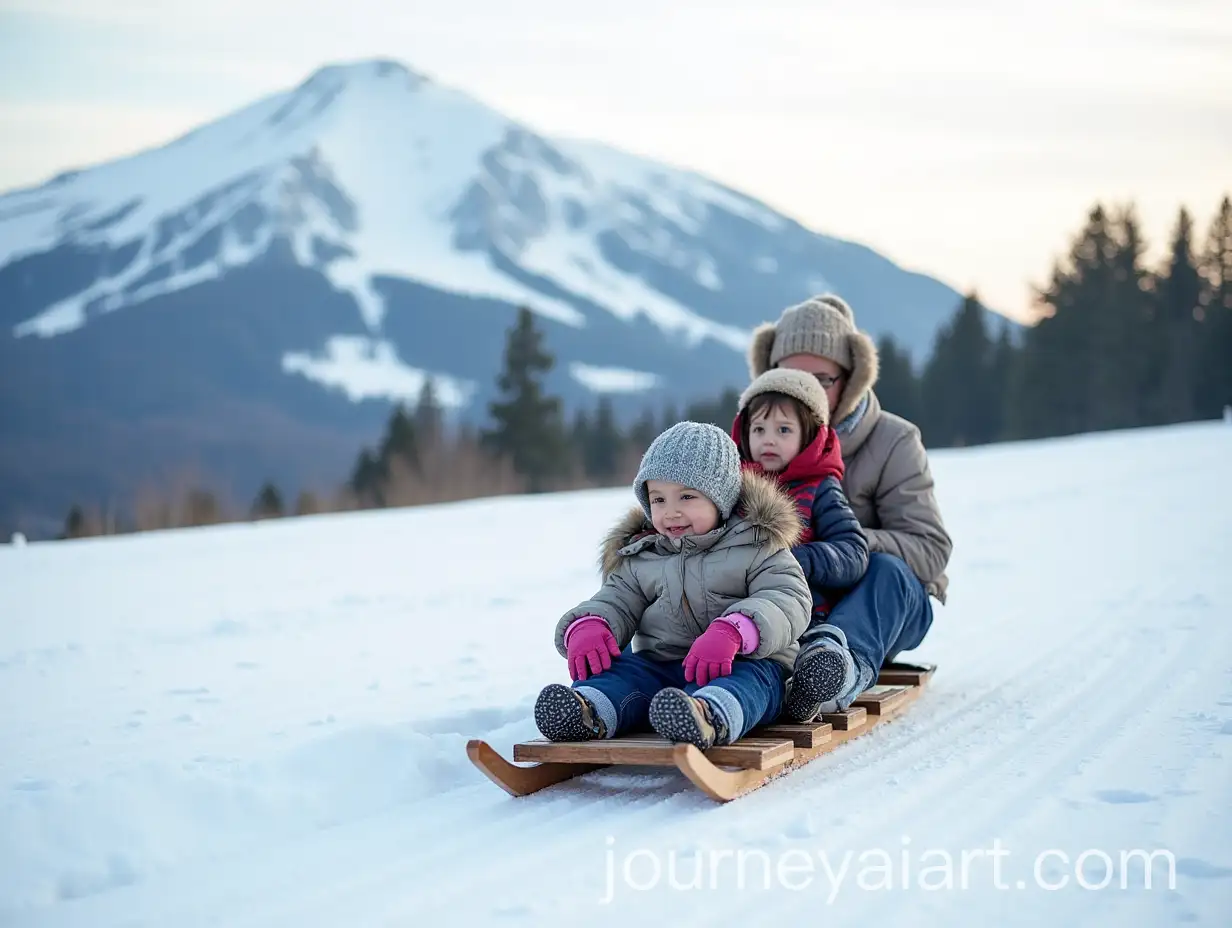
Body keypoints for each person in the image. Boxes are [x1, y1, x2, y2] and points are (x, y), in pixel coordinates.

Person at [533, 421, 813, 751]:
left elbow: (788, 597)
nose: (671, 512)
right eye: (658, 500)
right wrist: (590, 623)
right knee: (625, 675)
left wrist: (735, 630)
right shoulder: (644, 554)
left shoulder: (756, 545)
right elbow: (617, 598)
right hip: (663, 667)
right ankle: (589, 711)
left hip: (744, 662)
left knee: (752, 683)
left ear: (720, 498)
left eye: (687, 496)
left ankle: (710, 714)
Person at [746, 294, 953, 719]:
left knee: (887, 570)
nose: (805, 390)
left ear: (851, 379)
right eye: (788, 374)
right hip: (793, 601)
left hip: (884, 605)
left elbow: (930, 549)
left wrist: (842, 545)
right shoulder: (757, 444)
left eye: (822, 379)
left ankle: (834, 670)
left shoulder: (893, 441)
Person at [730, 368, 872, 720]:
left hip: (804, 611)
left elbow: (853, 552)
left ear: (809, 436)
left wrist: (798, 559)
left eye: (783, 430)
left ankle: (808, 686)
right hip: (741, 611)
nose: (768, 440)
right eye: (758, 430)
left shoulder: (819, 488)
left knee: (806, 645)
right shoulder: (733, 490)